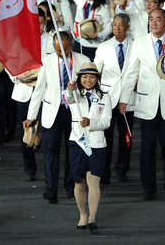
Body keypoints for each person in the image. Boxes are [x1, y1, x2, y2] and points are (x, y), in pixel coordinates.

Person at [119, 8, 165, 200]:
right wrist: (124, 98)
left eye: (158, 19)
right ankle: (148, 187)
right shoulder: (140, 43)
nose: (154, 23)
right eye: (151, 19)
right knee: (147, 148)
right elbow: (131, 72)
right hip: (146, 102)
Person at [24, 31, 90, 204]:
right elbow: (38, 90)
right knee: (51, 152)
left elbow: (90, 87)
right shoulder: (46, 62)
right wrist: (31, 116)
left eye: (64, 50)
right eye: (58, 50)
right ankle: (51, 189)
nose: (61, 53)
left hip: (74, 111)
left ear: (71, 45)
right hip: (52, 112)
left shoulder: (83, 60)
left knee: (73, 151)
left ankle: (71, 187)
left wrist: (76, 88)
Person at [9, 8, 55, 181]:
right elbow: (9, 62)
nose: (38, 26)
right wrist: (16, 75)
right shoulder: (20, 39)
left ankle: (50, 169)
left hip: (47, 91)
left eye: (41, 23)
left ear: (46, 22)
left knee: (47, 128)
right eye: (34, 23)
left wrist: (41, 74)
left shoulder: (53, 40)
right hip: (24, 89)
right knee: (26, 130)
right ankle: (30, 169)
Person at [66, 63, 111, 232]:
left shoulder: (105, 96)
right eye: (84, 76)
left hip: (97, 144)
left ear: (97, 78)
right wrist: (70, 89)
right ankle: (82, 215)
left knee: (94, 181)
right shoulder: (75, 94)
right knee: (79, 182)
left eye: (92, 76)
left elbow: (106, 122)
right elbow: (68, 98)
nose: (88, 80)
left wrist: (91, 123)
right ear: (79, 79)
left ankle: (92, 217)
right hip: (77, 142)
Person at [93, 14, 136, 184]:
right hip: (108, 98)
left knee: (126, 136)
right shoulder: (103, 47)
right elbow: (95, 70)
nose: (117, 28)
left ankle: (122, 169)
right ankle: (104, 172)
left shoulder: (136, 46)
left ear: (128, 27)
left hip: (128, 97)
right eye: (115, 25)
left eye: (121, 25)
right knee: (106, 136)